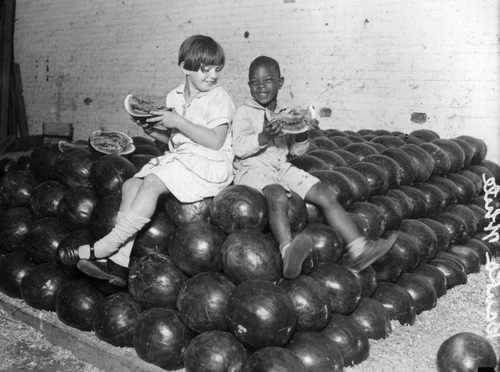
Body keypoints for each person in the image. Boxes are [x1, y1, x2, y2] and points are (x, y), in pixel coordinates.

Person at [59, 35, 235, 286]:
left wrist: (178, 121)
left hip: (210, 162)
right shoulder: (173, 96)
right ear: (185, 67)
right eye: (205, 69)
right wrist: (150, 131)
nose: (213, 76)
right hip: (182, 158)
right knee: (131, 185)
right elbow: (174, 137)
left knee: (152, 181)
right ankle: (119, 263)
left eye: (217, 69)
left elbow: (216, 140)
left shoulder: (219, 97)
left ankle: (102, 248)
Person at [232, 55, 397, 279]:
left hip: (280, 166)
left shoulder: (287, 113)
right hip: (251, 168)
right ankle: (287, 252)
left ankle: (360, 248)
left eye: (268, 80)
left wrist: (302, 132)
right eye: (255, 82)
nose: (261, 87)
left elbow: (296, 152)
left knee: (323, 192)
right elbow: (240, 148)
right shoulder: (243, 112)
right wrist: (263, 136)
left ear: (280, 82)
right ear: (249, 85)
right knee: (277, 194)